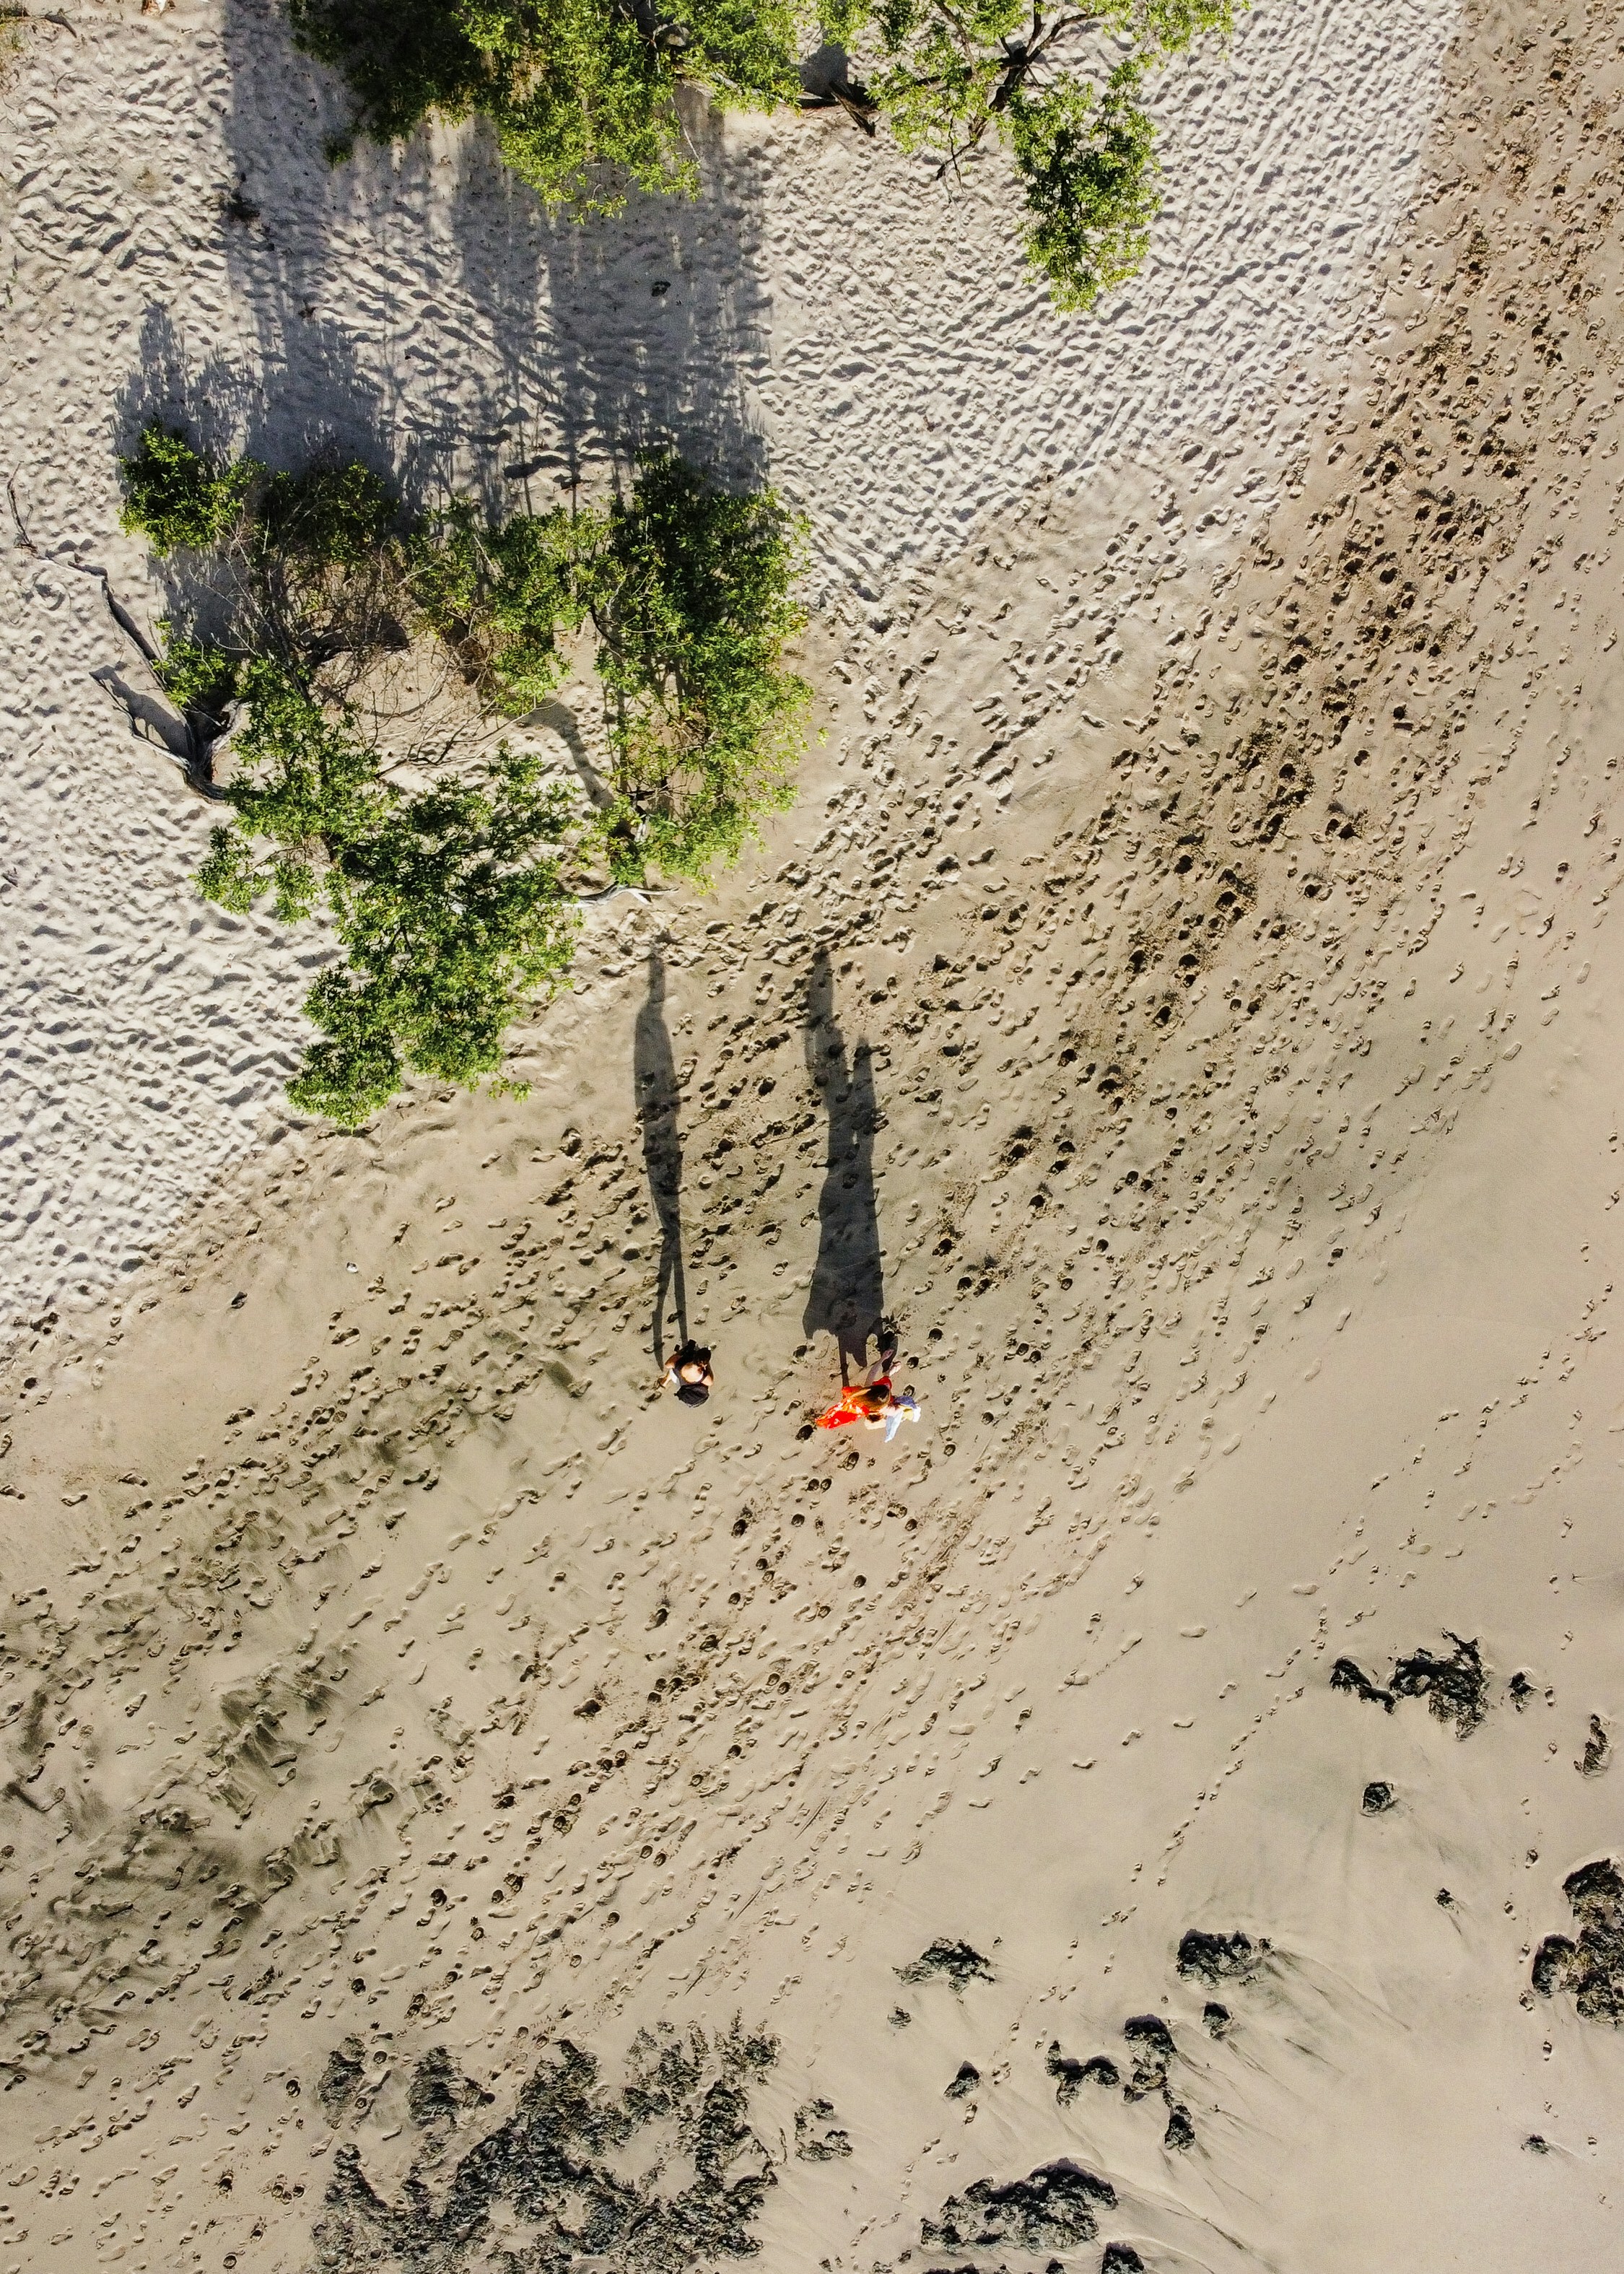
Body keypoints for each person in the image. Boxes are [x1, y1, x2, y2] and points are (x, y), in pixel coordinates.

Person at [661, 1341, 713, 1405]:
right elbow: (710, 1383)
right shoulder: (700, 1375)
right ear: (704, 1364)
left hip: (675, 1377)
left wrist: (679, 1353)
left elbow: (667, 1365)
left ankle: (665, 1381)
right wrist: (707, 1368)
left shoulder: (680, 1361)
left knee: (674, 1369)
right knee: (708, 1382)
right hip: (683, 1387)